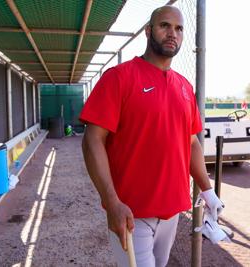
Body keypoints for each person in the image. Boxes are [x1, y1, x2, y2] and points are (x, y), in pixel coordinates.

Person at [80, 5, 224, 267]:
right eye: (164, 26)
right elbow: (92, 141)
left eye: (179, 28)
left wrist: (207, 191)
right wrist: (111, 202)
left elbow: (191, 143)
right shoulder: (119, 78)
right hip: (131, 213)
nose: (173, 33)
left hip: (172, 213)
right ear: (148, 31)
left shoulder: (184, 86)